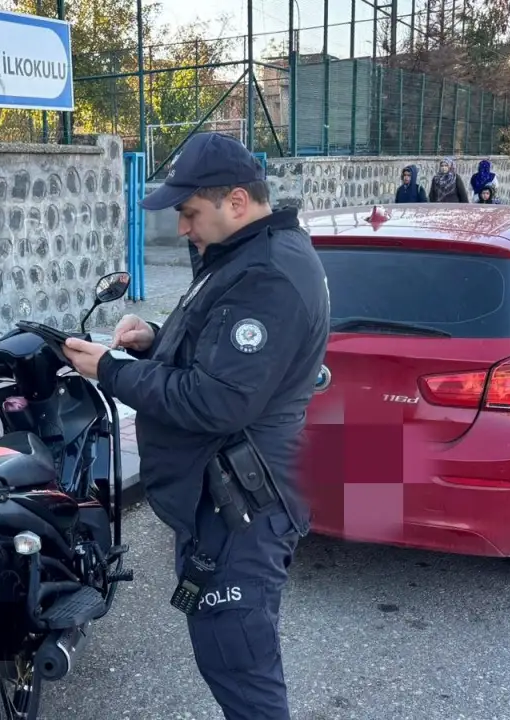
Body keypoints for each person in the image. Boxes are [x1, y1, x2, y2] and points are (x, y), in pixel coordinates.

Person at [62, 132, 330, 720]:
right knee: (229, 657)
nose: (182, 228)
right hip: (224, 498)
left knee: (242, 670)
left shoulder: (267, 274)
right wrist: (156, 340)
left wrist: (111, 370)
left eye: (189, 213)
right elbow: (224, 359)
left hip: (244, 508)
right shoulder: (242, 256)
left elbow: (217, 400)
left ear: (236, 201)